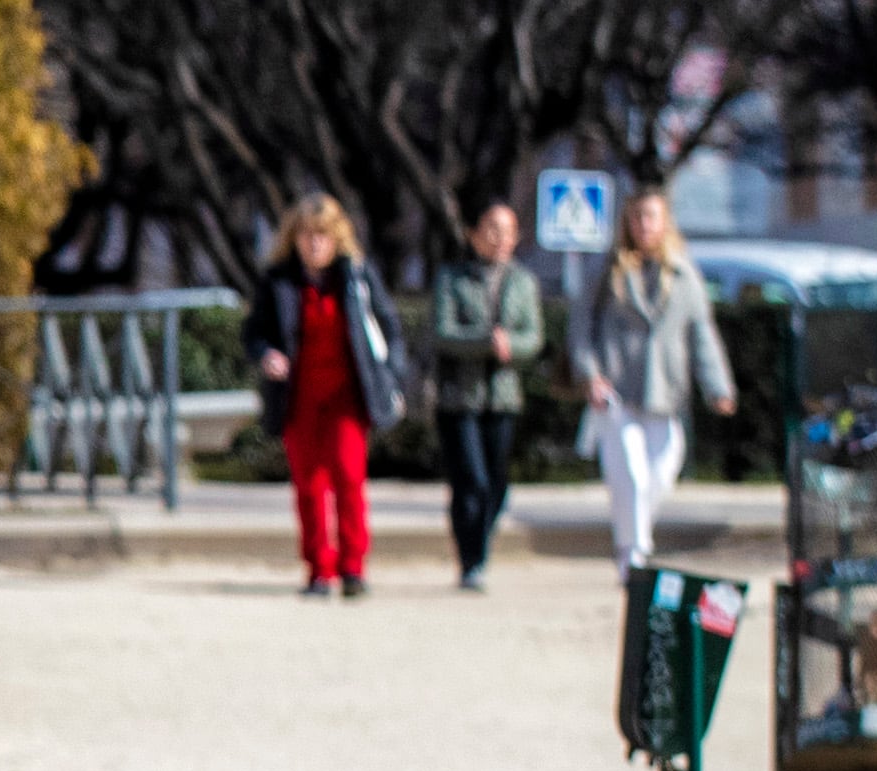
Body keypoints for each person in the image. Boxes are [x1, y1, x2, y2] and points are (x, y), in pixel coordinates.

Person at [573, 185, 736, 573]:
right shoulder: (609, 269)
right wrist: (590, 374)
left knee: (662, 472)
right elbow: (581, 326)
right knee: (628, 470)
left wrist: (718, 388)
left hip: (665, 391)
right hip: (617, 390)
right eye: (636, 217)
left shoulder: (683, 274)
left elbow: (702, 335)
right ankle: (634, 553)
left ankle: (632, 536)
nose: (643, 225)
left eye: (651, 217)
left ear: (665, 223)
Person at [252, 192, 404, 601]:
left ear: (337, 238)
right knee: (309, 483)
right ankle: (320, 569)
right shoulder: (278, 281)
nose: (314, 244)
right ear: (293, 239)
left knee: (349, 479)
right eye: (306, 236)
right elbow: (255, 332)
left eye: (321, 235)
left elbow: (389, 327)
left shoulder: (356, 277)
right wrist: (267, 354)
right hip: (299, 397)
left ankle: (353, 567)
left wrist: (393, 377)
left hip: (348, 397)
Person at [427, 197, 549, 591]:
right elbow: (442, 332)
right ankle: (470, 559)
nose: (499, 239)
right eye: (491, 229)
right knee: (471, 480)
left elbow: (533, 337)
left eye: (508, 231)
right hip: (459, 397)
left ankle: (480, 543)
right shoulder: (453, 278)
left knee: (496, 482)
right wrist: (485, 342)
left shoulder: (523, 282)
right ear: (474, 234)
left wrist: (512, 344)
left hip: (503, 395)